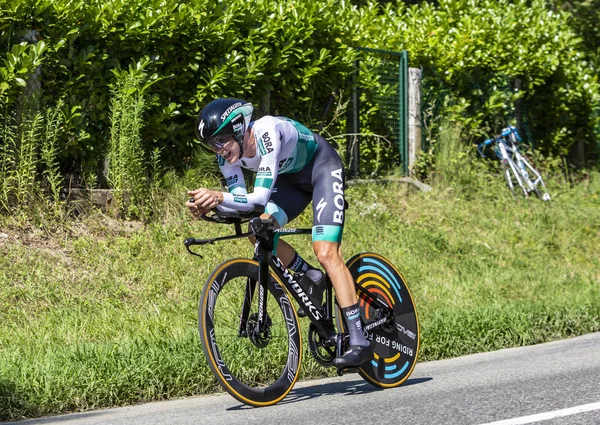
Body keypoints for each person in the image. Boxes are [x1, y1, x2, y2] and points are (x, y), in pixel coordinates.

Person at [186, 98, 372, 367]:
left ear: (239, 129)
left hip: (322, 169)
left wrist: (217, 196)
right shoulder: (227, 159)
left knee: (326, 251)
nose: (219, 149)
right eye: (212, 144)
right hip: (290, 184)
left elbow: (259, 198)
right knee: (257, 229)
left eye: (222, 140)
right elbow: (242, 204)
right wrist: (210, 208)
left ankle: (360, 340)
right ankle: (310, 275)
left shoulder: (267, 132)